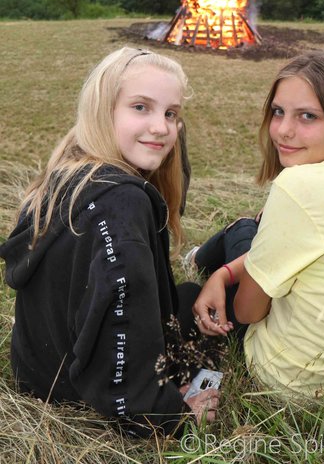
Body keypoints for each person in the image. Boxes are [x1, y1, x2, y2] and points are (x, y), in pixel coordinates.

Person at [0, 46, 219, 437]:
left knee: (186, 297)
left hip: (38, 369)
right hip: (71, 387)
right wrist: (171, 414)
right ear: (103, 109)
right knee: (202, 318)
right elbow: (123, 316)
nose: (161, 128)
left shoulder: (72, 172)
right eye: (140, 107)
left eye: (171, 114)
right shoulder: (122, 202)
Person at [192, 51, 324, 405]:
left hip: (293, 382)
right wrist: (225, 276)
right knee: (252, 236)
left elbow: (248, 313)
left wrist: (222, 279)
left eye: (308, 116)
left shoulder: (296, 187)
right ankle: (211, 265)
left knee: (243, 229)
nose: (283, 130)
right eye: (278, 112)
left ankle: (200, 261)